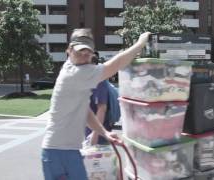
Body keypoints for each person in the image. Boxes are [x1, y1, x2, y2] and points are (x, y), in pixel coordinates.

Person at [41, 28, 150, 180]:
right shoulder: (75, 74)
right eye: (80, 51)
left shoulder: (74, 69)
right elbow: (115, 65)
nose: (84, 57)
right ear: (69, 50)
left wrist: (104, 132)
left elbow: (85, 111)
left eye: (88, 53)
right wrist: (140, 43)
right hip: (57, 152)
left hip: (68, 150)